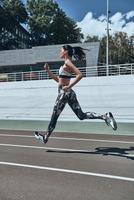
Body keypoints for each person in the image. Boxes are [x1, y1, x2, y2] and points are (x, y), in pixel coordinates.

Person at [34, 45, 117, 144]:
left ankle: (45, 138)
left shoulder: (67, 62)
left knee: (54, 117)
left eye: (61, 51)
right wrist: (48, 71)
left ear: (65, 52)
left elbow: (80, 75)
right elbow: (59, 80)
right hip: (69, 94)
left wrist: (69, 86)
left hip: (63, 94)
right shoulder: (66, 64)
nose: (59, 53)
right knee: (81, 115)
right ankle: (105, 116)